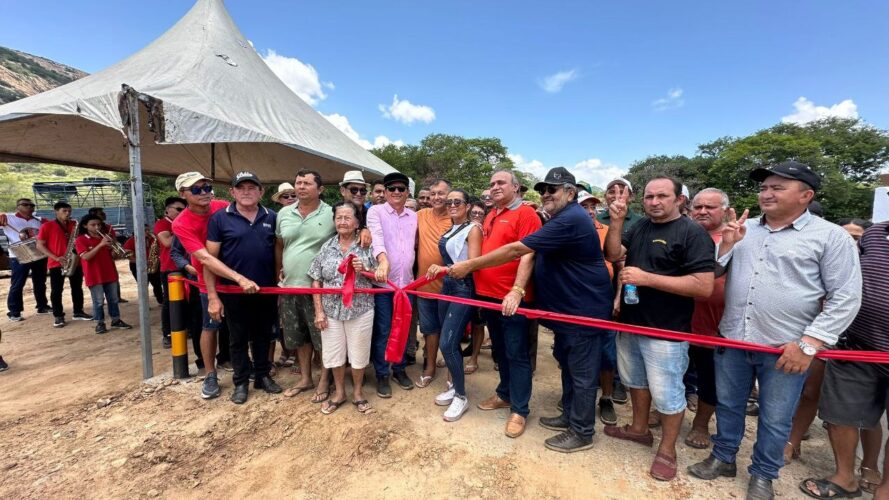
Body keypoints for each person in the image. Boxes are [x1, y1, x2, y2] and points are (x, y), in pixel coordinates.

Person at [688, 161, 862, 500]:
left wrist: (809, 344)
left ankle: (763, 475)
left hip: (786, 349)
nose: (766, 193)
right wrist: (727, 246)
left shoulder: (831, 237)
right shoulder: (744, 229)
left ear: (806, 196)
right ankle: (723, 458)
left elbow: (846, 296)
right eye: (764, 187)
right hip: (734, 339)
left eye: (777, 187)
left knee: (775, 416)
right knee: (729, 404)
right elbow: (714, 273)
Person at [451, 167, 613, 450]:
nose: (546, 194)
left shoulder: (570, 218)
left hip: (583, 310)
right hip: (565, 310)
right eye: (543, 190)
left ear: (571, 193)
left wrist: (472, 267)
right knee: (567, 366)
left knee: (581, 373)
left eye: (552, 189)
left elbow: (520, 251)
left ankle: (581, 431)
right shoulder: (554, 216)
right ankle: (568, 416)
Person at [603, 176, 715, 481]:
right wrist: (616, 222)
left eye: (662, 196)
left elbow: (703, 286)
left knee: (667, 393)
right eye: (649, 197)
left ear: (679, 200)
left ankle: (667, 450)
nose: (654, 202)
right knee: (635, 381)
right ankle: (639, 429)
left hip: (667, 330)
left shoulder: (692, 233)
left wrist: (647, 279)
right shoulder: (641, 226)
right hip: (631, 322)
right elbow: (613, 254)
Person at [800, 217, 888, 499]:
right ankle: (844, 477)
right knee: (840, 414)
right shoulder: (875, 234)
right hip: (857, 345)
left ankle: (886, 488)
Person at [458, 170, 541, 437]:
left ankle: (520, 410)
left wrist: (517, 290)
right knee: (502, 351)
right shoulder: (492, 213)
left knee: (517, 354)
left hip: (512, 299)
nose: (494, 187)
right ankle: (505, 394)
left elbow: (528, 254)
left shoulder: (526, 214)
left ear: (516, 187)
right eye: (492, 183)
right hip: (489, 296)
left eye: (501, 183)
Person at [172, 171, 256, 400]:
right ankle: (210, 373)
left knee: (242, 324)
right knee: (210, 325)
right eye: (196, 189)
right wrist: (218, 290)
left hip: (237, 279)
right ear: (183, 194)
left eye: (207, 187)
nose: (204, 193)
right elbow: (205, 258)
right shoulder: (181, 223)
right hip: (210, 281)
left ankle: (245, 364)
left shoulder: (223, 206)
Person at [205, 171, 282, 404]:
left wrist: (278, 285)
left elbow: (278, 253)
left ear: (261, 192)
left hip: (265, 290)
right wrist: (212, 296)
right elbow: (210, 260)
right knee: (237, 338)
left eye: (252, 187)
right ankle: (240, 382)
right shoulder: (219, 219)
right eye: (241, 188)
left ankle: (262, 376)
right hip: (233, 291)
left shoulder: (272, 216)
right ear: (232, 192)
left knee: (263, 335)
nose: (246, 192)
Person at [307, 201, 376, 415]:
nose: (342, 222)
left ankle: (358, 393)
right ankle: (339, 393)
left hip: (360, 309)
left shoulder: (367, 245)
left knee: (359, 354)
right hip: (331, 311)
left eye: (347, 218)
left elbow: (380, 275)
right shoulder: (326, 247)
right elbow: (316, 280)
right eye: (339, 218)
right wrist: (319, 311)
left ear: (357, 222)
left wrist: (365, 269)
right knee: (334, 353)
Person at [277, 170, 335, 402]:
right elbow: (279, 244)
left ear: (320, 189)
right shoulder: (284, 213)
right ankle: (305, 378)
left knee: (323, 337)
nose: (301, 187)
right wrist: (279, 271)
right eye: (298, 182)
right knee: (298, 335)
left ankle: (325, 379)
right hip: (290, 285)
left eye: (307, 183)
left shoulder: (331, 212)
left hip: (321, 288)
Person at [424, 188, 482, 421]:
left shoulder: (473, 229)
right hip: (447, 286)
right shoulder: (451, 229)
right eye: (449, 202)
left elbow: (473, 263)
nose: (452, 205)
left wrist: (444, 269)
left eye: (457, 202)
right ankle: (456, 386)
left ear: (467, 206)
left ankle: (461, 396)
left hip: (463, 288)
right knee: (451, 340)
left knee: (447, 343)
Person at [683, 188, 730, 449]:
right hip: (680, 319)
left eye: (709, 207)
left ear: (725, 210)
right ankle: (663, 410)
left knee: (709, 378)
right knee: (673, 371)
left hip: (716, 324)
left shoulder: (736, 238)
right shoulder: (684, 233)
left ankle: (701, 423)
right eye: (697, 207)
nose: (702, 212)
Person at [366, 172, 418, 397]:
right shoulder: (375, 211)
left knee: (404, 329)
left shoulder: (414, 216)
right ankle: (382, 374)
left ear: (407, 193)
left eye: (401, 189)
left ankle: (399, 369)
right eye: (392, 188)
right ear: (385, 192)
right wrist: (383, 260)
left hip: (407, 285)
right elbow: (376, 238)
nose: (396, 192)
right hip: (383, 285)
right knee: (384, 330)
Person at [578, 190, 619, 426]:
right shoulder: (569, 230)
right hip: (575, 302)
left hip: (603, 301)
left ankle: (606, 398)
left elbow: (620, 265)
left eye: (593, 207)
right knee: (574, 352)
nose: (590, 211)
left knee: (606, 353)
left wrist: (618, 298)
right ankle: (574, 396)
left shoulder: (606, 231)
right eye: (584, 207)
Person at [414, 179, 453, 388]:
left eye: (441, 193)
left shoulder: (456, 217)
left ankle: (452, 372)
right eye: (433, 193)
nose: (436, 197)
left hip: (450, 287)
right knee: (430, 330)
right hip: (424, 286)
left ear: (449, 195)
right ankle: (429, 367)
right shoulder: (420, 215)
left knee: (450, 331)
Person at [36, 201, 92, 327]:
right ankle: (58, 316)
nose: (68, 213)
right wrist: (56, 258)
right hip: (56, 262)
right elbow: (39, 245)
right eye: (64, 211)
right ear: (56, 211)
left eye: (69, 211)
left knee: (77, 288)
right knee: (57, 290)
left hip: (75, 261)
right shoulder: (47, 226)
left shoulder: (75, 224)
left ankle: (78, 311)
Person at [75, 214, 132, 334]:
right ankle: (100, 323)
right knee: (98, 301)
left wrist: (117, 250)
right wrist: (100, 245)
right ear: (85, 226)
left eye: (99, 224)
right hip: (94, 275)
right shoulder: (81, 239)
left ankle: (116, 320)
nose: (97, 227)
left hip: (109, 272)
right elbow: (86, 257)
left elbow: (113, 256)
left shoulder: (106, 237)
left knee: (113, 299)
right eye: (93, 225)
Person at [1, 198, 49, 321]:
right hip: (18, 255)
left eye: (32, 205)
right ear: (18, 206)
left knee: (40, 282)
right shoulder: (7, 218)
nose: (29, 207)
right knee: (18, 283)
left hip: (38, 254)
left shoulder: (40, 220)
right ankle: (14, 311)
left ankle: (42, 306)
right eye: (25, 204)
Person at [154, 197, 186, 349]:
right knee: (170, 302)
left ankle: (185, 328)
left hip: (186, 266)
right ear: (168, 210)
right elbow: (167, 242)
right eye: (179, 209)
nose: (182, 212)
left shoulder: (180, 223)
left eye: (184, 210)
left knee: (186, 300)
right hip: (170, 269)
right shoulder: (162, 224)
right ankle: (167, 333)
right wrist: (183, 228)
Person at [270, 183, 297, 367]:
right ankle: (285, 350)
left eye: (292, 195)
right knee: (282, 317)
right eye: (285, 196)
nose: (290, 199)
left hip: (298, 272)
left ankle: (294, 353)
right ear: (279, 199)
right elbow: (277, 245)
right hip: (281, 272)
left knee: (296, 316)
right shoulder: (276, 217)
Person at [123, 226, 165, 304]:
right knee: (143, 286)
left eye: (148, 230)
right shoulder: (132, 240)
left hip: (152, 264)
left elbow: (160, 250)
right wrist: (140, 262)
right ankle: (145, 304)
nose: (147, 232)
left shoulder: (153, 239)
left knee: (157, 284)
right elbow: (127, 254)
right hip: (137, 266)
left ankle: (161, 301)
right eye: (145, 230)